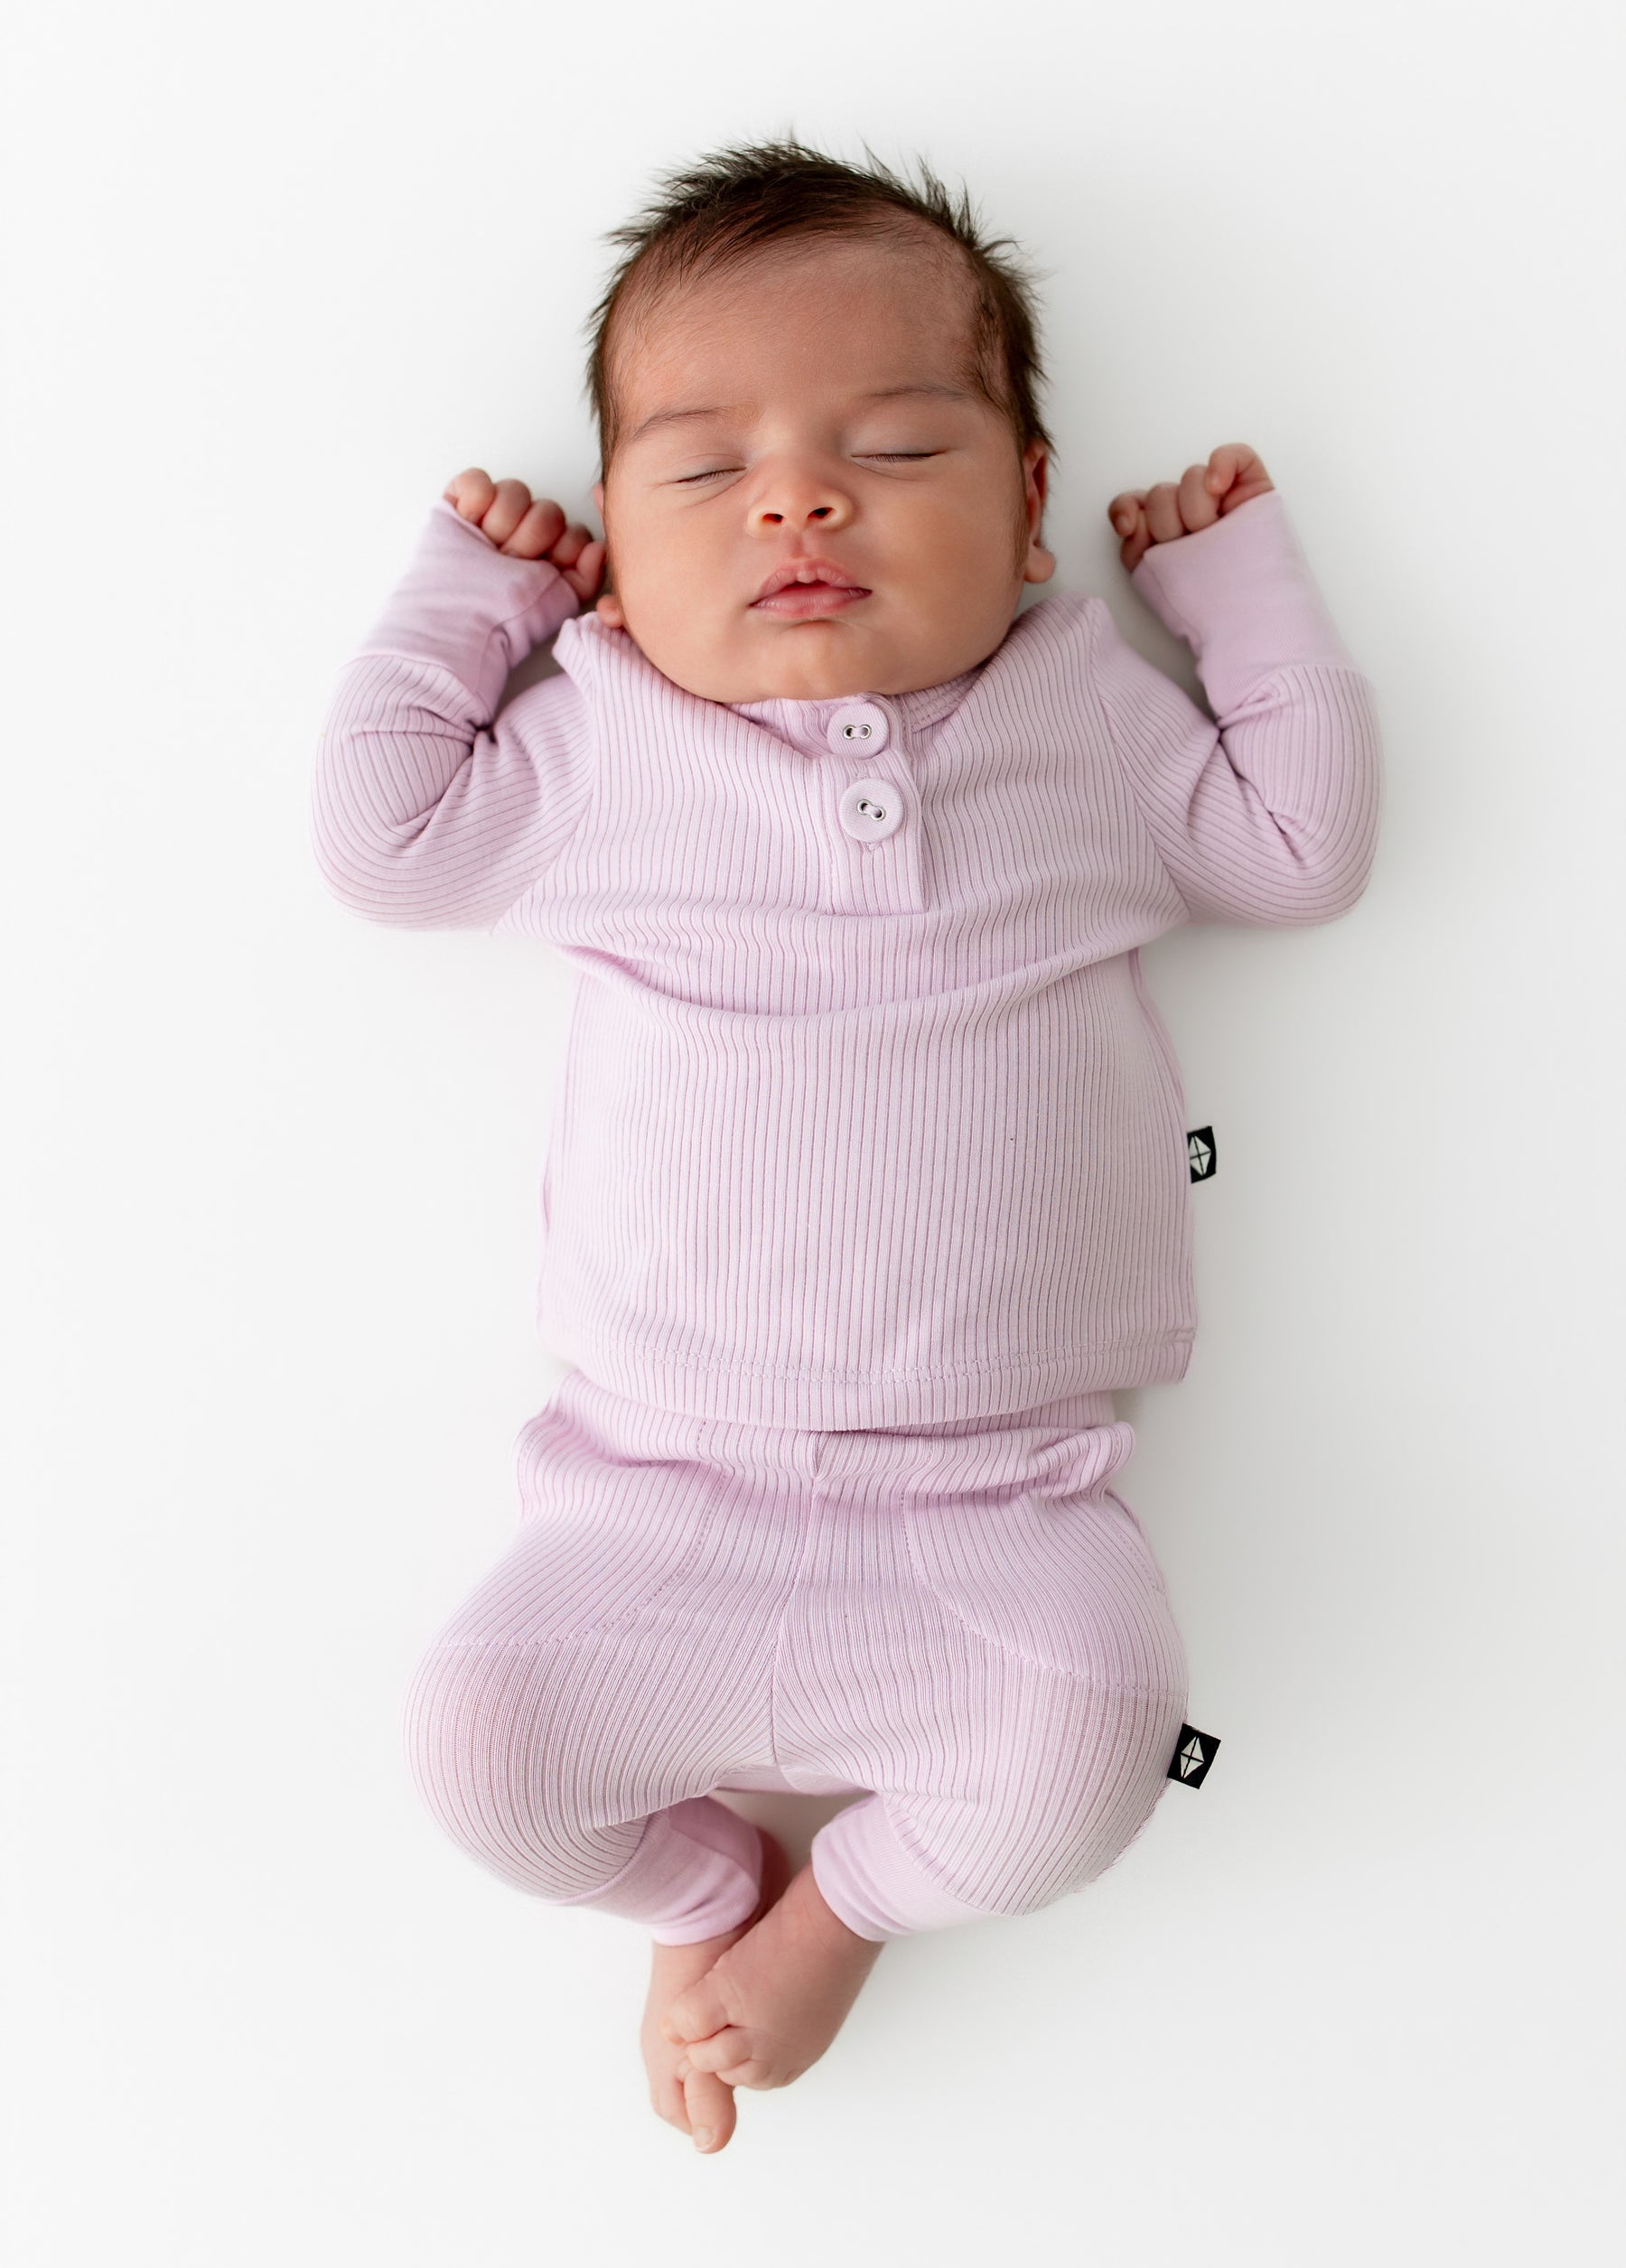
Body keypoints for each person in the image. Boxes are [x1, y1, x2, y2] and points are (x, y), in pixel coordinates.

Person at [308, 138, 1383, 2156]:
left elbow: (1305, 846)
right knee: (479, 1757)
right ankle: (707, 1895)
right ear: (611, 553)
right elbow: (379, 839)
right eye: (704, 472)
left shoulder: (1086, 717)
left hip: (1004, 1502)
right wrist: (480, 600)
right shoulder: (602, 735)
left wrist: (1231, 594)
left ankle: (843, 1913)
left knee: (1092, 1750)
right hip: (648, 1499)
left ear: (1030, 505)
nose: (798, 500)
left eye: (892, 447)